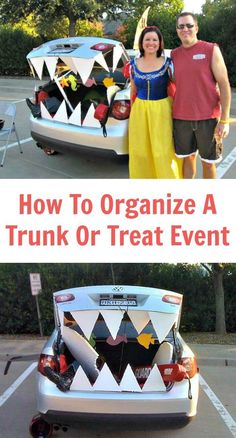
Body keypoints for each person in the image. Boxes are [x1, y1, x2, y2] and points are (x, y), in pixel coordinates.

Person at [171, 12, 231, 179]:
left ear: (196, 28)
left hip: (208, 119)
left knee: (208, 163)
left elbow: (224, 84)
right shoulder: (174, 55)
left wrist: (224, 121)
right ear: (177, 30)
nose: (185, 29)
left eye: (189, 25)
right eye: (181, 26)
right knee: (188, 159)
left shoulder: (211, 49)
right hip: (181, 119)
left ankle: (208, 201)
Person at [128, 26, 183, 179]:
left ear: (160, 43)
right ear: (142, 42)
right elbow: (133, 91)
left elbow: (181, 86)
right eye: (147, 39)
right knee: (140, 151)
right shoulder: (133, 64)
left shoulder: (168, 63)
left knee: (163, 152)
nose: (151, 43)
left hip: (162, 111)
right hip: (139, 112)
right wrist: (133, 115)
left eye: (154, 39)